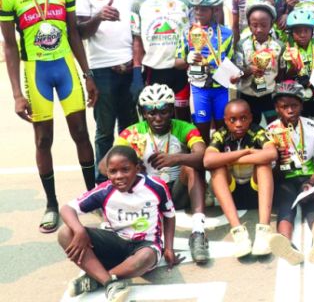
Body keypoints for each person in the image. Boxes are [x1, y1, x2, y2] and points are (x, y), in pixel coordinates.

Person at [1, 0, 98, 234]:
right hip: (36, 71)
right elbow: (10, 46)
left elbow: (73, 33)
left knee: (81, 132)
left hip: (64, 67)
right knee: (43, 139)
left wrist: (88, 74)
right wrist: (17, 92)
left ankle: (92, 198)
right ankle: (52, 204)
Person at [58, 146, 180, 301]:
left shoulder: (156, 186)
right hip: (115, 242)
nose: (119, 176)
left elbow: (169, 215)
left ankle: (96, 279)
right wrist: (79, 230)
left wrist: (168, 247)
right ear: (107, 173)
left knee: (145, 257)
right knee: (65, 232)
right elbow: (67, 209)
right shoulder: (105, 191)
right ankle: (108, 282)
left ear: (137, 169)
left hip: (146, 246)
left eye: (125, 170)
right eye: (113, 172)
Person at [110, 84, 210, 263]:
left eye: (163, 111)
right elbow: (106, 165)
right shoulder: (132, 133)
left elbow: (203, 156)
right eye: (151, 112)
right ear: (143, 113)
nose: (157, 118)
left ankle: (198, 233)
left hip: (178, 191)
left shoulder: (184, 127)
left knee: (191, 167)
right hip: (149, 196)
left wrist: (177, 159)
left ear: (172, 110)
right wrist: (130, 165)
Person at [76, 0, 143, 182]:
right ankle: (102, 184)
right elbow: (80, 32)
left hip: (131, 66)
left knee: (130, 130)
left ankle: (129, 181)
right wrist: (98, 16)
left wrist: (135, 65)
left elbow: (139, 30)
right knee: (104, 132)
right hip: (102, 68)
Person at [266, 81, 314, 265]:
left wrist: (310, 183)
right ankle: (286, 244)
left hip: (309, 178)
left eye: (294, 105)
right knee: (286, 207)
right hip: (283, 179)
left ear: (301, 105)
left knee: (313, 205)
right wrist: (279, 160)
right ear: (277, 108)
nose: (290, 110)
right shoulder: (270, 132)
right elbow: (269, 171)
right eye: (284, 106)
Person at [204, 99, 277, 258]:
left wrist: (226, 158)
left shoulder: (257, 131)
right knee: (217, 168)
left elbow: (272, 154)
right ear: (225, 121)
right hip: (232, 195)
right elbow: (208, 160)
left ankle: (263, 231)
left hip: (255, 193)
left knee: (263, 165)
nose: (238, 124)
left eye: (243, 118)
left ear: (251, 118)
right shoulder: (221, 134)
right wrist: (246, 153)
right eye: (233, 120)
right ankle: (239, 234)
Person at [130, 0, 192, 121]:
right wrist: (137, 73)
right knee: (156, 119)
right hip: (153, 71)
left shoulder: (186, 4)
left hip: (180, 71)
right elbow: (137, 41)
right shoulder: (139, 5)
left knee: (182, 119)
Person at [175, 0, 233, 140]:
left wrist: (236, 74)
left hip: (221, 87)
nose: (199, 12)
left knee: (223, 129)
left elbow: (233, 61)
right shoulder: (187, 32)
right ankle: (203, 162)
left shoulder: (227, 34)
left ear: (214, 10)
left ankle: (221, 161)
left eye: (204, 9)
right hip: (199, 88)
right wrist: (187, 59)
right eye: (196, 8)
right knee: (202, 130)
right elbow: (177, 62)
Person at [234, 2, 285, 124]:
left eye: (264, 25)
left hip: (269, 94)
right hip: (247, 94)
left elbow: (281, 71)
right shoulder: (242, 45)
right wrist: (249, 70)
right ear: (249, 25)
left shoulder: (279, 46)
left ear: (271, 25)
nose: (259, 29)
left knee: (273, 124)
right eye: (255, 25)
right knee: (251, 125)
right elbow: (238, 71)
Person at [284, 9, 314, 124]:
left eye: (306, 30)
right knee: (300, 123)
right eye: (298, 31)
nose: (303, 34)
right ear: (291, 33)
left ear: (312, 31)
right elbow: (285, 75)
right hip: (298, 96)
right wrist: (294, 69)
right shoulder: (289, 53)